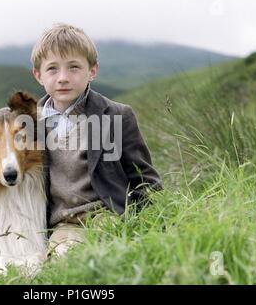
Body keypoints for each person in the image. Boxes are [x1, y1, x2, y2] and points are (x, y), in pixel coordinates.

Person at [30, 23, 163, 258]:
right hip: (63, 222)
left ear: (92, 70)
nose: (63, 78)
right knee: (62, 257)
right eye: (52, 69)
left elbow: (143, 176)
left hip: (106, 213)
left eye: (74, 67)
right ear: (38, 75)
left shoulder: (117, 116)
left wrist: (156, 221)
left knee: (110, 253)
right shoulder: (29, 121)